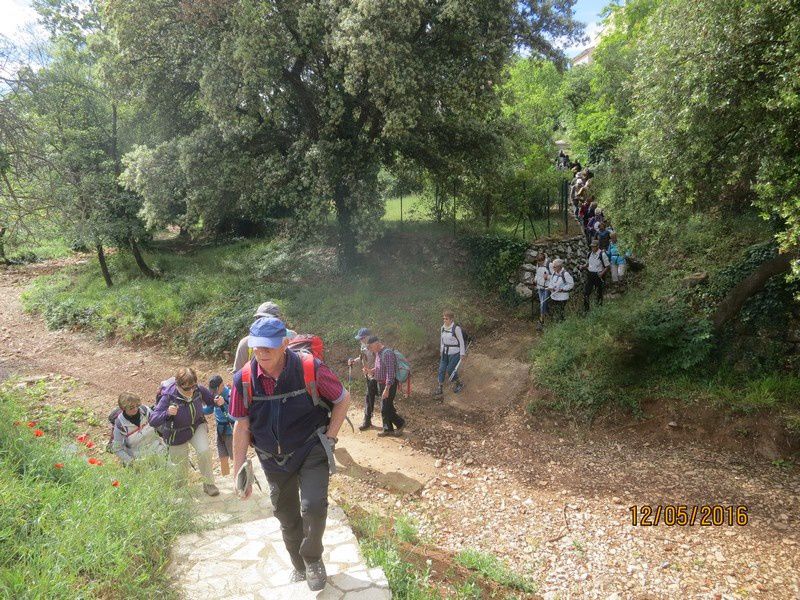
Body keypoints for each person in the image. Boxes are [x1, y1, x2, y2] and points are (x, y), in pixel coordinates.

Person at [230, 317, 350, 592]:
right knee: (286, 515)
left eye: (269, 347)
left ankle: (313, 559)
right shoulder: (244, 379)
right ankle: (298, 565)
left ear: (285, 343)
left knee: (314, 507)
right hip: (271, 457)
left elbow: (342, 398)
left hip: (310, 448)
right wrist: (239, 471)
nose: (262, 353)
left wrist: (330, 438)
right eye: (257, 347)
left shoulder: (310, 368)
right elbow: (241, 424)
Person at [150, 368, 219, 496]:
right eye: (186, 389)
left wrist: (216, 400)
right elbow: (153, 420)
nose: (191, 391)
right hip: (176, 433)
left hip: (196, 426)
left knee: (204, 452)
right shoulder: (169, 396)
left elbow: (210, 399)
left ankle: (209, 484)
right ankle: (182, 491)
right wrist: (167, 413)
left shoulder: (197, 389)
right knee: (180, 464)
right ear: (178, 385)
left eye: (193, 387)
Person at [232, 301, 298, 372]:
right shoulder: (246, 344)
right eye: (259, 318)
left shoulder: (291, 338)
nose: (263, 322)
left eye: (268, 320)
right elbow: (238, 374)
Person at [365, 336, 406, 437]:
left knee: (385, 408)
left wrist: (387, 389)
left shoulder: (387, 353)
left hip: (388, 385)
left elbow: (390, 373)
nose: (370, 349)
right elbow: (380, 367)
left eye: (370, 346)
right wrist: (371, 371)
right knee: (387, 406)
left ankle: (400, 423)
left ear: (376, 343)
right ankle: (388, 429)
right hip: (381, 384)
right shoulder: (379, 353)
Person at [111, 393, 166, 465]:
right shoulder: (120, 424)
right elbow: (117, 449)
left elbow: (160, 427)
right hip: (140, 461)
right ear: (123, 408)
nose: (135, 409)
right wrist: (132, 463)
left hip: (159, 452)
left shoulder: (146, 411)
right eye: (131, 407)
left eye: (137, 406)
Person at [348, 327, 378, 431]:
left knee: (384, 400)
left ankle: (397, 422)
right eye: (360, 339)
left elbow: (381, 362)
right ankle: (367, 421)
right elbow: (362, 357)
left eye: (362, 338)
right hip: (370, 376)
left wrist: (371, 371)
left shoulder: (375, 346)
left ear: (368, 337)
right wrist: (354, 361)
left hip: (378, 376)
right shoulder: (363, 346)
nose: (360, 340)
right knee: (369, 398)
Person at [203, 375, 234, 476]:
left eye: (215, 390)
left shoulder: (230, 395)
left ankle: (245, 483)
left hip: (231, 431)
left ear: (221, 385)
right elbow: (209, 409)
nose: (214, 393)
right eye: (212, 391)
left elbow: (234, 417)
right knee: (223, 458)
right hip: (220, 432)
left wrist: (224, 405)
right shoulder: (214, 395)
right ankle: (226, 478)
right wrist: (197, 409)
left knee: (236, 458)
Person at [435, 310, 466, 397]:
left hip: (455, 353)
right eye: (443, 318)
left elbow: (461, 341)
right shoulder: (443, 328)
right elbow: (442, 341)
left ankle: (458, 384)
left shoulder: (456, 328)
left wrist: (462, 354)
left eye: (446, 319)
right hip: (445, 352)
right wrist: (441, 351)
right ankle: (440, 387)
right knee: (441, 369)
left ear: (451, 319)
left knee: (451, 369)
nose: (444, 320)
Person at [584, 239, 610, 311]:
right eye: (591, 246)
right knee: (586, 292)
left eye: (594, 246)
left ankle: (599, 308)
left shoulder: (602, 254)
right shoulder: (589, 254)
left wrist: (602, 273)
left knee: (599, 292)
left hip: (599, 275)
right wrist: (584, 266)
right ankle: (586, 310)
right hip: (590, 275)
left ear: (598, 246)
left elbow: (607, 266)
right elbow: (589, 263)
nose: (592, 248)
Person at [533, 253, 550, 331]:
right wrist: (535, 279)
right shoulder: (538, 265)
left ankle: (541, 321)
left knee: (543, 303)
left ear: (543, 260)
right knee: (542, 303)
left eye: (540, 261)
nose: (539, 263)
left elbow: (554, 274)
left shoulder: (549, 265)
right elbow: (537, 274)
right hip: (540, 287)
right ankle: (546, 317)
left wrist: (548, 277)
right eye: (538, 261)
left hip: (547, 287)